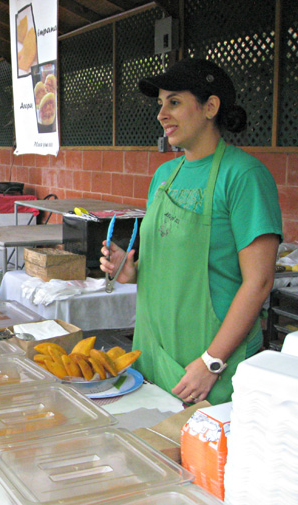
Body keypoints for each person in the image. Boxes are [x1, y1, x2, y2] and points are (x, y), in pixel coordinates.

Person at [100, 58, 282, 405]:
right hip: (152, 356)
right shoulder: (164, 176)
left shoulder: (243, 176)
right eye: (160, 105)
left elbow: (258, 282)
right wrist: (131, 269)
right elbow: (171, 262)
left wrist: (211, 361)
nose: (161, 114)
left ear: (210, 106)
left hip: (208, 370)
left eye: (174, 102)